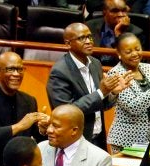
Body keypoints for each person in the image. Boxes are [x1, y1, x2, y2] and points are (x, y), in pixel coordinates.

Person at [47, 23, 130, 151]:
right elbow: (65, 112)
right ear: (68, 44)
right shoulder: (60, 71)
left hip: (98, 139)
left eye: (90, 37)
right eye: (82, 38)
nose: (88, 41)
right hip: (75, 142)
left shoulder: (95, 64)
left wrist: (113, 92)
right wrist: (101, 92)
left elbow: (101, 104)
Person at [107, 33, 150, 153]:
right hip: (127, 139)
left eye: (137, 49)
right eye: (128, 51)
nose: (135, 54)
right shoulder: (116, 74)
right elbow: (133, 107)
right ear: (119, 54)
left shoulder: (148, 68)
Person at [86, 0, 145, 67]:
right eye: (115, 11)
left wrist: (119, 35)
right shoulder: (90, 27)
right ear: (104, 12)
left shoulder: (136, 33)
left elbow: (131, 63)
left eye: (123, 11)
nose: (120, 15)